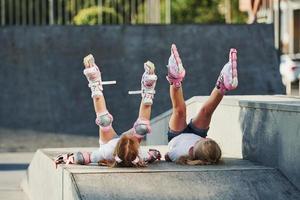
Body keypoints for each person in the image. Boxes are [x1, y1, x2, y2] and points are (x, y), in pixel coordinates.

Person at [55, 55, 161, 167]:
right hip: (112, 145)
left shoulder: (110, 152)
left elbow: (83, 158)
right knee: (142, 127)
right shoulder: (138, 155)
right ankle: (95, 83)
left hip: (108, 142)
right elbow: (84, 158)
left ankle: (147, 91)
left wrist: (66, 158)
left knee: (106, 120)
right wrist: (155, 155)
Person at [164, 44, 238, 165]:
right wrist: (199, 139)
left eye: (205, 140)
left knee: (179, 111)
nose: (207, 138)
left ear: (193, 151)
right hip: (195, 134)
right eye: (207, 139)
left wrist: (168, 156)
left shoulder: (179, 154)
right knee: (202, 112)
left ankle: (176, 79)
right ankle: (222, 85)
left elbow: (168, 155)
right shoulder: (202, 147)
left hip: (176, 137)